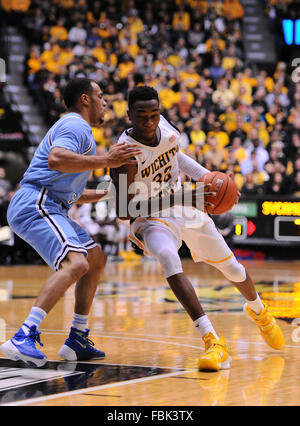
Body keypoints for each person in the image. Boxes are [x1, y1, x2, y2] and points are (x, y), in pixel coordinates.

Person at [111, 86, 284, 372]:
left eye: (154, 115)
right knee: (168, 257)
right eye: (141, 116)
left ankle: (259, 311)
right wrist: (183, 196)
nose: (149, 122)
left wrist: (209, 178)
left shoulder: (164, 128)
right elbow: (123, 210)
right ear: (129, 115)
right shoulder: (125, 154)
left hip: (183, 205)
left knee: (234, 270)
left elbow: (176, 156)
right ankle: (213, 340)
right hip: (151, 216)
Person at [0, 78, 142, 367]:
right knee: (76, 264)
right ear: (85, 99)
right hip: (36, 201)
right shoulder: (76, 124)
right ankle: (24, 335)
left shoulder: (82, 136)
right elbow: (55, 159)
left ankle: (77, 338)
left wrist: (106, 194)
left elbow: (74, 193)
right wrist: (108, 161)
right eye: (100, 96)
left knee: (95, 257)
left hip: (51, 203)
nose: (105, 102)